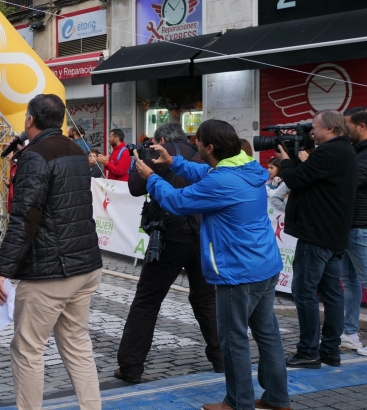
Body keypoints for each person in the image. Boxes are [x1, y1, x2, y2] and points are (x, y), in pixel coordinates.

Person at [135, 119, 288, 410]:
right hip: (264, 263)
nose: (195, 145)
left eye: (198, 142)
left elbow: (177, 201)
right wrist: (175, 162)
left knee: (233, 340)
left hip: (238, 271)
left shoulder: (223, 181)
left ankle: (238, 402)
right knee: (267, 334)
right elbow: (206, 172)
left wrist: (151, 177)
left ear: (210, 146)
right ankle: (278, 399)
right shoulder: (247, 168)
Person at [0, 94, 103, 410]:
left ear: (29, 121)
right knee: (77, 344)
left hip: (52, 269)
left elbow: (25, 216)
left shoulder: (36, 156)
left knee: (27, 348)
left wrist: (2, 269)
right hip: (85, 263)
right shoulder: (76, 150)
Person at [116, 123, 223, 384]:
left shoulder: (158, 153)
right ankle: (221, 358)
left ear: (161, 139)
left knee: (147, 300)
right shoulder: (200, 154)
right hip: (201, 233)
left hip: (170, 233)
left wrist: (139, 162)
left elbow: (134, 186)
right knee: (207, 299)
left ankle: (131, 366)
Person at [277, 110, 357, 370]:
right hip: (333, 234)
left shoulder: (330, 152)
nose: (312, 132)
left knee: (304, 291)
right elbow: (313, 182)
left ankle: (309, 351)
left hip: (316, 235)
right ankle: (330, 350)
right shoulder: (345, 151)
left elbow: (296, 180)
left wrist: (287, 161)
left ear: (330, 130)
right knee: (332, 293)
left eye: (315, 127)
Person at [341, 107, 367, 355]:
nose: (343, 130)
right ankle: (349, 332)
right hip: (348, 227)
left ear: (361, 126)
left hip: (362, 227)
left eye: (347, 125)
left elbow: (354, 179)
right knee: (349, 283)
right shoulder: (355, 151)